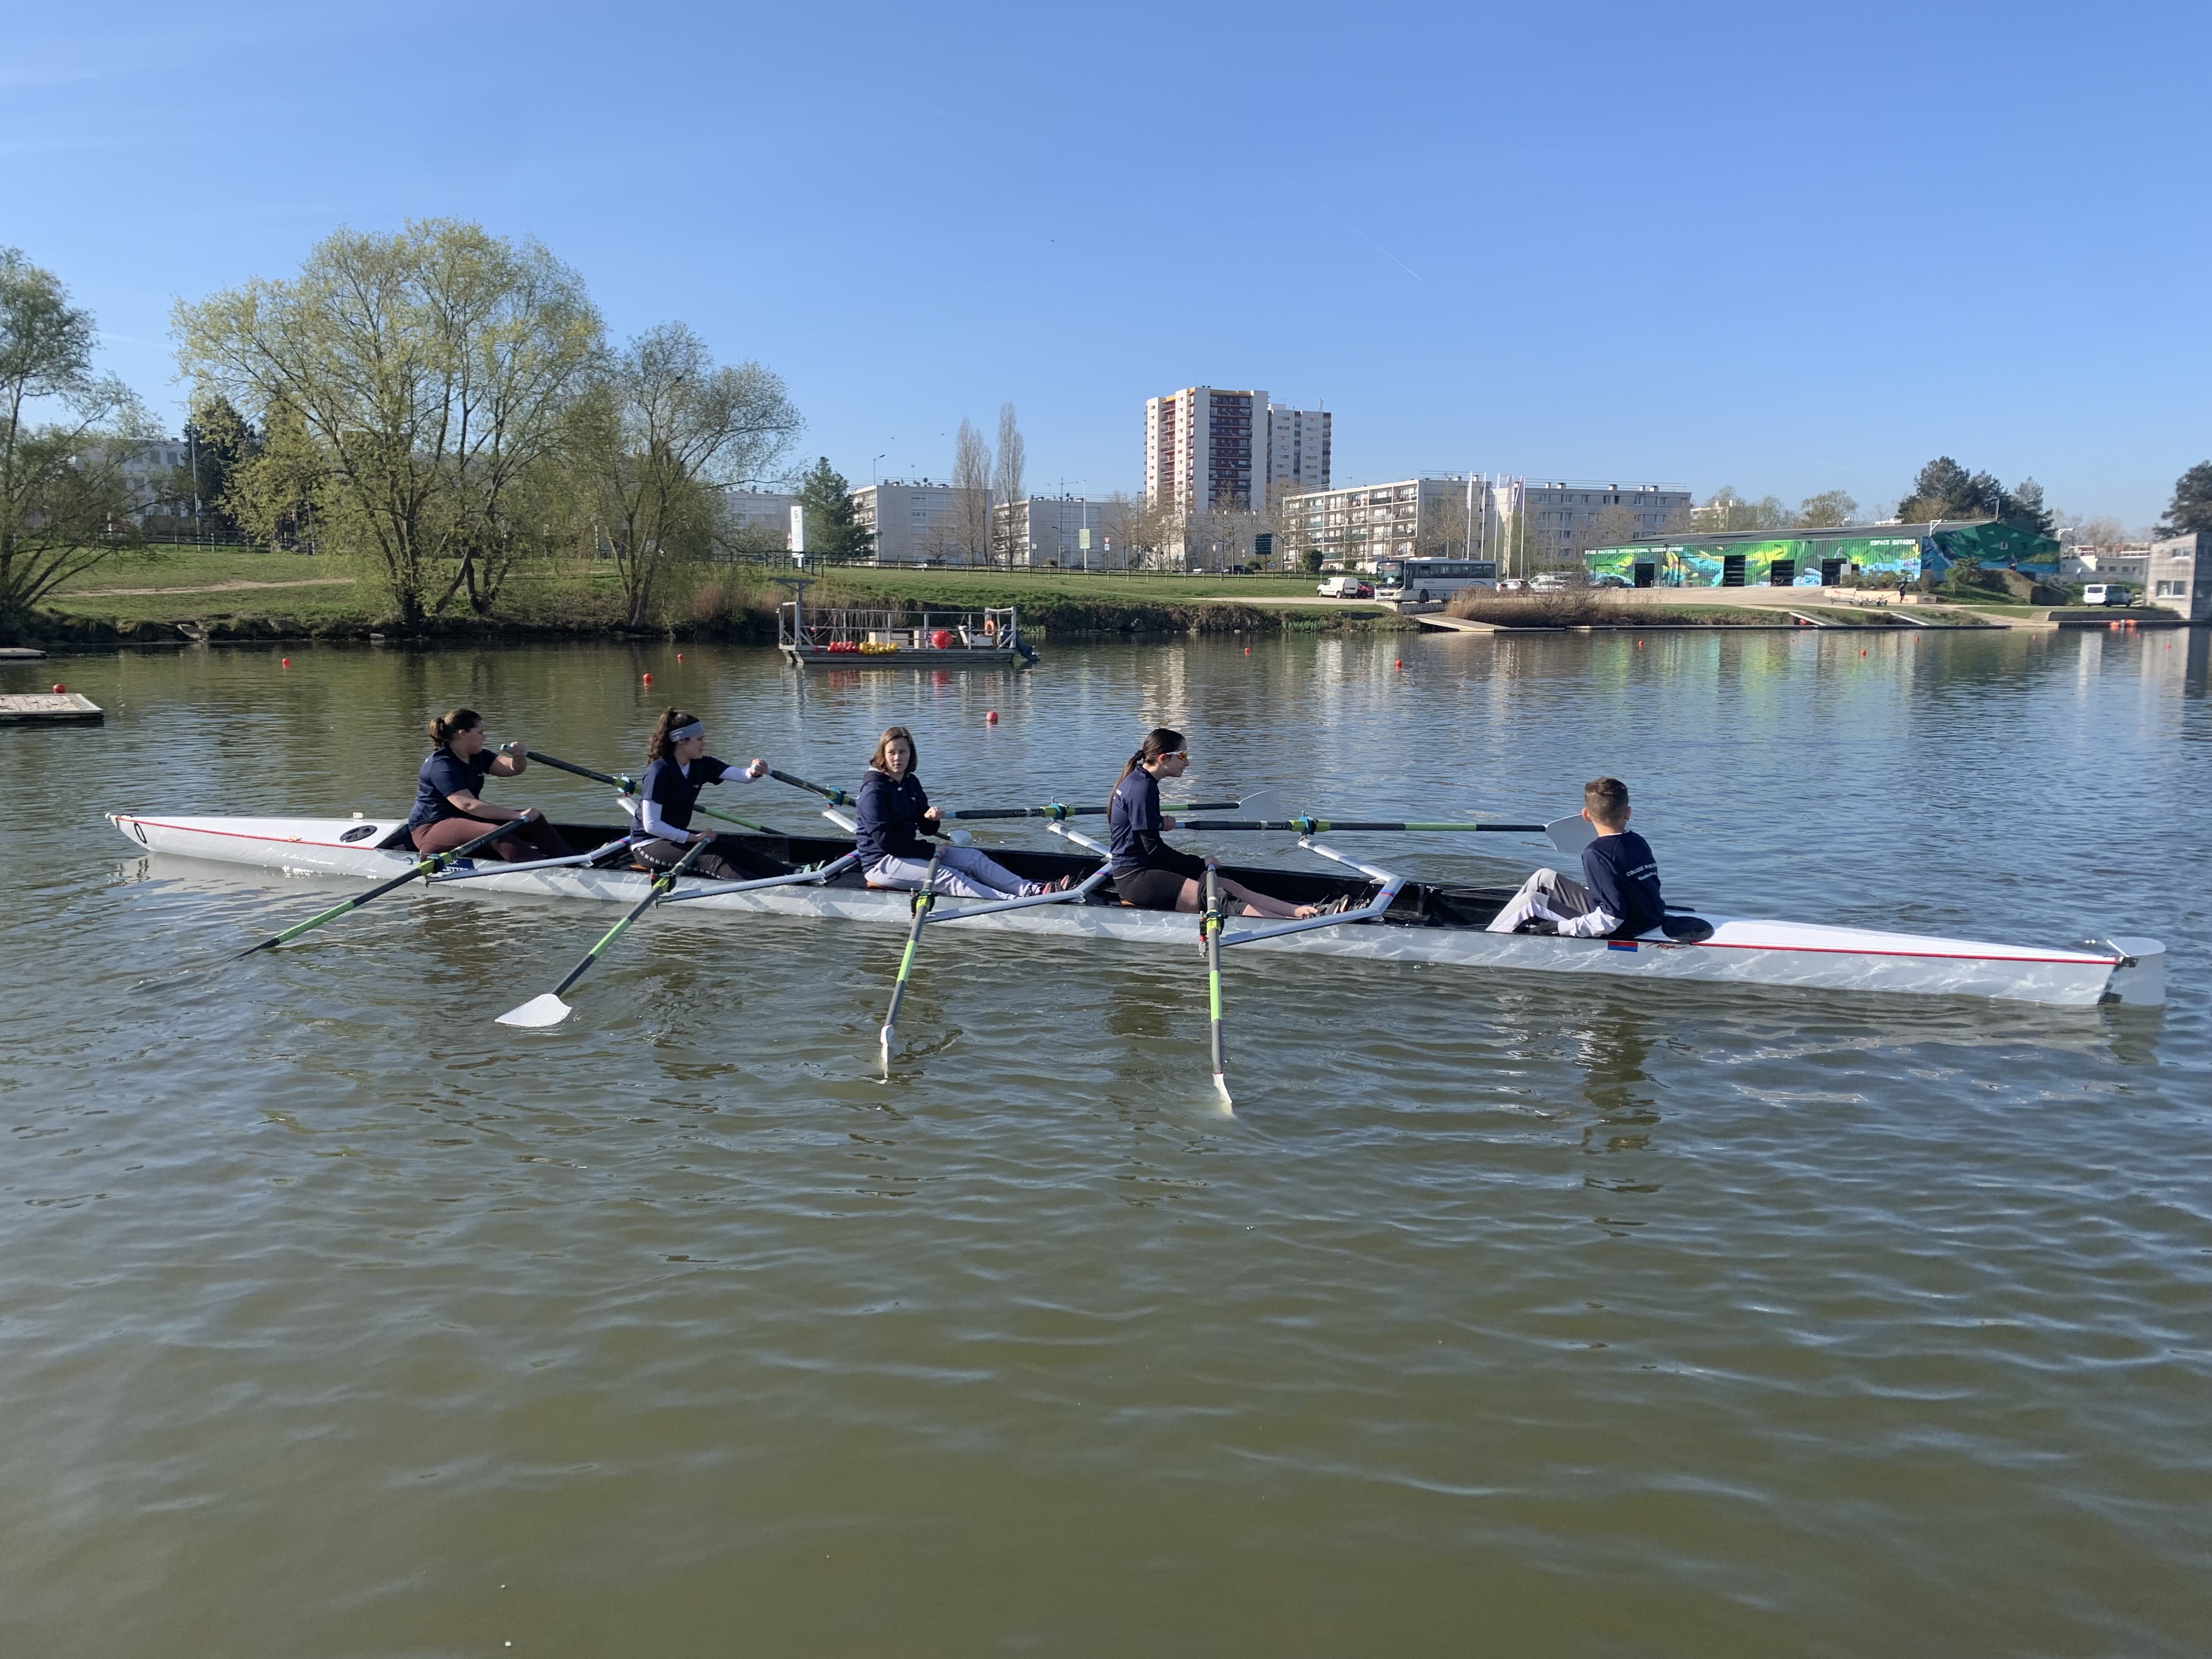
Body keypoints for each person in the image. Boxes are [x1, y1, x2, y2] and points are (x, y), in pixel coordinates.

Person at [1107, 727, 1329, 918]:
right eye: (1183, 756)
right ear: (1164, 758)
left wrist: (1157, 822)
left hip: (1147, 866)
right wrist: (1199, 863)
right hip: (1135, 877)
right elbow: (1154, 849)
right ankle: (1298, 928)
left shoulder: (1140, 781)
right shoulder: (1142, 789)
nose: (1188, 762)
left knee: (1230, 886)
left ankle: (1301, 912)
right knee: (1216, 897)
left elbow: (1135, 829)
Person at [854, 725, 1070, 899]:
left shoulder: (911, 782)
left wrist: (931, 818)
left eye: (903, 752)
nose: (897, 758)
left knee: (974, 858)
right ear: (883, 755)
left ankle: (1032, 891)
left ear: (911, 755)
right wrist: (930, 850)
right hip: (881, 862)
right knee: (948, 876)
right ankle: (1012, 904)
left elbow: (927, 829)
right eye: (892, 752)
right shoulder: (874, 791)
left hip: (906, 853)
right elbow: (886, 841)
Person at [1486, 775, 1666, 938]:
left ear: (1586, 815)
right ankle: (1504, 929)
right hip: (1646, 915)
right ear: (1628, 813)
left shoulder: (1596, 853)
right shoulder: (1637, 841)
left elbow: (1611, 919)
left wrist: (1560, 927)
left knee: (1530, 901)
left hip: (1624, 929)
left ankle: (1488, 940)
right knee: (1543, 877)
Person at [405, 708, 573, 862]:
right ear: (463, 734)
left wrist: (519, 757)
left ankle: (572, 860)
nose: (485, 737)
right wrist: (517, 815)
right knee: (494, 833)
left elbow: (513, 769)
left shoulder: (478, 756)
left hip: (465, 820)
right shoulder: (441, 765)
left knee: (534, 820)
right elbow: (468, 805)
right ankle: (539, 866)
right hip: (431, 829)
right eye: (480, 732)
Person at [632, 708, 768, 881]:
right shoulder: (659, 772)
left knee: (735, 851)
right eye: (699, 739)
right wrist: (694, 838)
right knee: (711, 861)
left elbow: (742, 775)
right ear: (681, 741)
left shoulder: (700, 764)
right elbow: (652, 826)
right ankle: (767, 889)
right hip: (648, 844)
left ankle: (794, 875)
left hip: (675, 838)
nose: (704, 744)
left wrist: (754, 771)